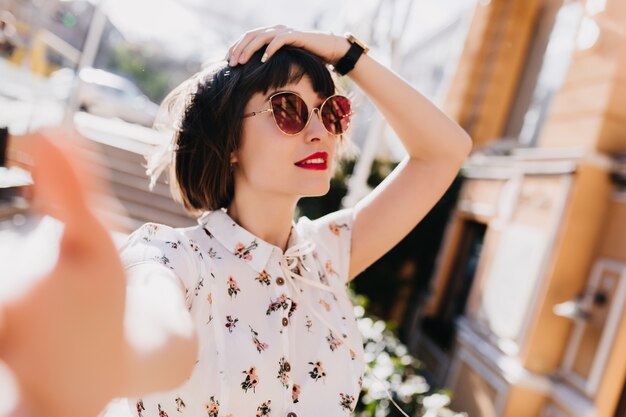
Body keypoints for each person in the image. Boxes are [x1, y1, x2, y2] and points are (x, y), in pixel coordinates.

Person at [2, 25, 472, 417]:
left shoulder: (326, 256)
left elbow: (445, 151)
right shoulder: (170, 256)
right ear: (229, 141)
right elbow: (158, 336)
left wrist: (346, 54)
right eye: (288, 109)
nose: (318, 131)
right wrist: (103, 355)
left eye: (332, 111)